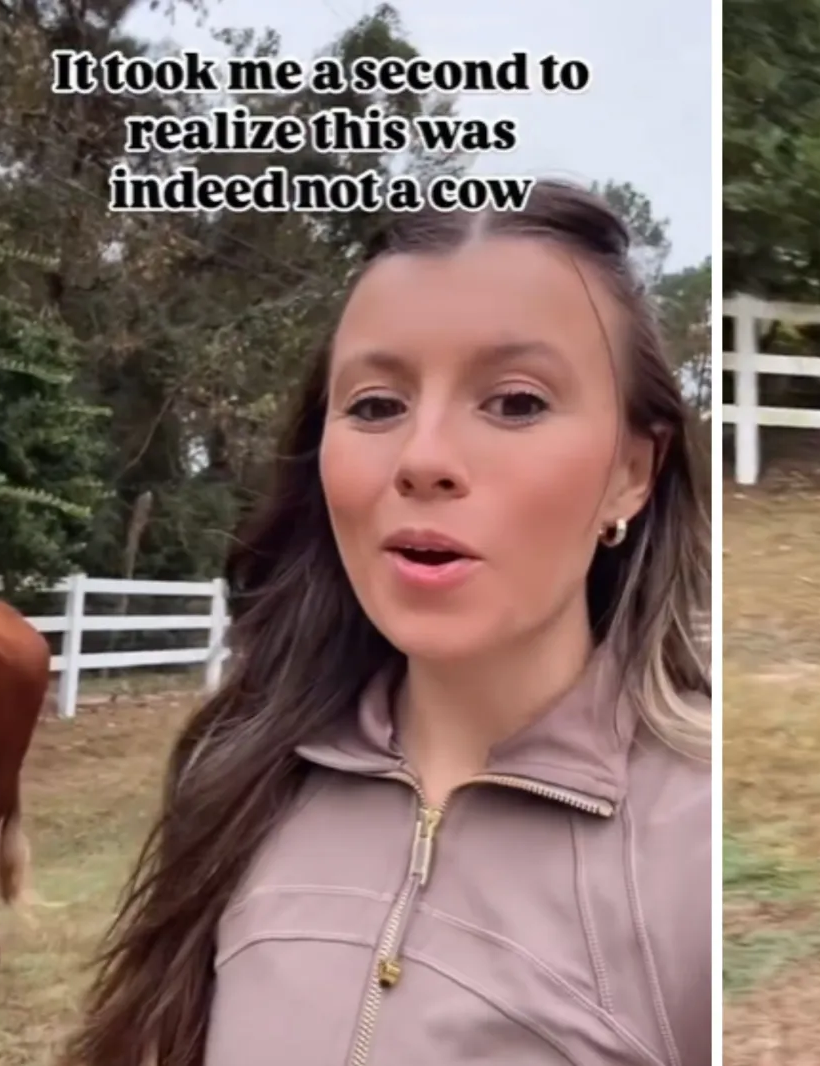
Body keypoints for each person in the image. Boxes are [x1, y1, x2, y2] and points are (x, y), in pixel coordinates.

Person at [62, 180, 712, 1066]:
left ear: (632, 472)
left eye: (516, 401)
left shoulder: (698, 859)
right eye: (374, 405)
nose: (424, 460)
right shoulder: (240, 780)